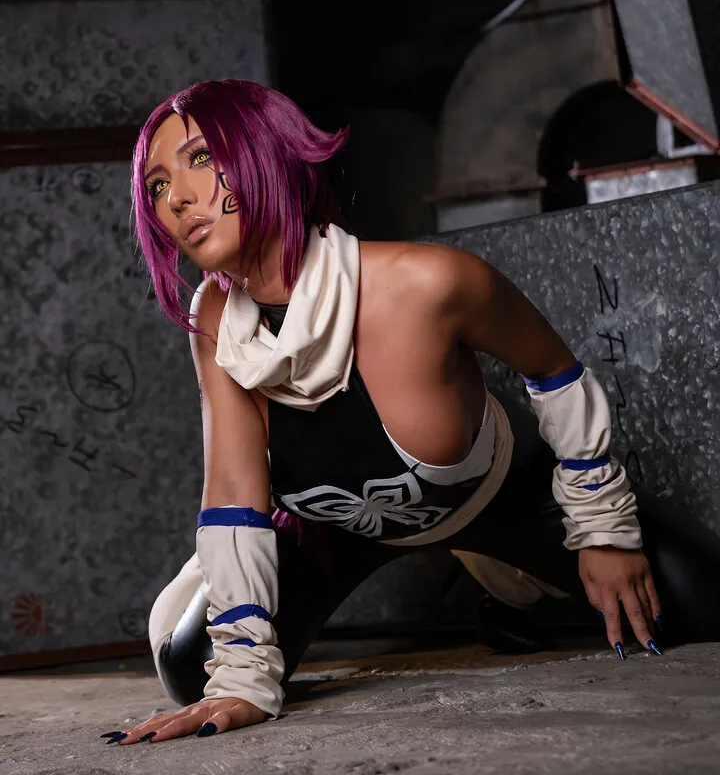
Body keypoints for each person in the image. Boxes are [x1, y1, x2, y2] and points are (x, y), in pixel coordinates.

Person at [105, 79, 720, 746]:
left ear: (265, 152)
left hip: (499, 496)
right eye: (158, 185)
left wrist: (601, 528)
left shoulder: (429, 283)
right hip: (336, 529)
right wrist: (244, 673)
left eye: (200, 158)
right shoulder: (216, 318)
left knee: (699, 606)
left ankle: (504, 581)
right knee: (196, 671)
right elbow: (232, 491)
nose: (177, 199)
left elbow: (554, 370)